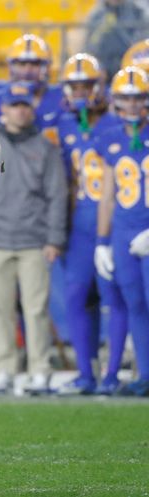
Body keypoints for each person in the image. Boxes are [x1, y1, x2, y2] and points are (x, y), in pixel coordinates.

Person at [0, 82, 68, 395]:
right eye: (15, 104)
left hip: (34, 241)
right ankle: (4, 370)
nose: (21, 110)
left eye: (25, 105)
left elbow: (57, 195)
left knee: (36, 311)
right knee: (0, 310)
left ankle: (40, 370)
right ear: (3, 109)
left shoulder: (45, 147)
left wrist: (54, 239)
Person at [54, 54, 128, 395]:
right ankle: (86, 373)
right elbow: (65, 184)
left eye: (87, 85)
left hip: (116, 222)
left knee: (115, 298)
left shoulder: (120, 123)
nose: (81, 92)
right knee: (76, 297)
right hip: (80, 223)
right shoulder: (65, 124)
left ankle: (112, 375)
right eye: (76, 86)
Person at [95, 66, 149, 397]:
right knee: (134, 304)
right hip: (122, 231)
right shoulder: (109, 136)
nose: (131, 106)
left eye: (138, 98)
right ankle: (144, 374)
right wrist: (102, 241)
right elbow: (108, 194)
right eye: (125, 99)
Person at [85, 0, 145, 78]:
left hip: (133, 71)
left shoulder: (139, 12)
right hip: (104, 74)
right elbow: (90, 49)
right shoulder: (96, 16)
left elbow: (143, 47)